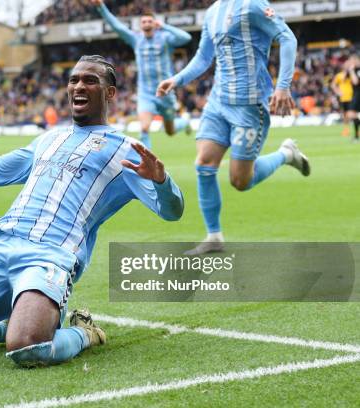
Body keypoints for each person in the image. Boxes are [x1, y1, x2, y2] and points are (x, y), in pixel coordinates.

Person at [0, 55, 184, 367]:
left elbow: (172, 212)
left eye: (90, 80)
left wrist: (161, 181)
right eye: (73, 80)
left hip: (50, 255)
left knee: (27, 349)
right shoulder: (49, 138)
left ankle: (84, 332)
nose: (78, 86)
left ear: (110, 93)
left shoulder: (125, 149)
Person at [158, 0, 310, 255]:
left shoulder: (252, 6)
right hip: (218, 102)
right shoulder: (212, 12)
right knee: (204, 163)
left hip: (249, 105)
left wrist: (283, 86)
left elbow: (287, 38)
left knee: (240, 180)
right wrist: (177, 79)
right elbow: (204, 56)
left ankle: (286, 154)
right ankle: (214, 236)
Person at [91, 0, 192, 148]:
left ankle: (184, 122)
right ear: (140, 25)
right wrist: (101, 7)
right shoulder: (136, 39)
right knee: (144, 128)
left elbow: (186, 38)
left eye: (149, 21)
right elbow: (116, 26)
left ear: (154, 23)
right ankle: (147, 164)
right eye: (143, 21)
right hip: (146, 93)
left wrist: (164, 26)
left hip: (165, 92)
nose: (146, 23)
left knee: (170, 131)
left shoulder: (165, 39)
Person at [331, 59, 355, 137]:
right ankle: (346, 130)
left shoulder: (352, 74)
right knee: (345, 115)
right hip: (344, 98)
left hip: (353, 97)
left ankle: (356, 131)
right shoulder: (339, 75)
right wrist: (338, 92)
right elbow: (333, 85)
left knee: (354, 114)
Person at [349, 55, 359, 142]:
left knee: (352, 114)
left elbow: (355, 82)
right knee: (353, 115)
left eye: (352, 61)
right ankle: (356, 136)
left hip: (358, 94)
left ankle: (356, 136)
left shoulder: (358, 70)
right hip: (355, 94)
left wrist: (351, 71)